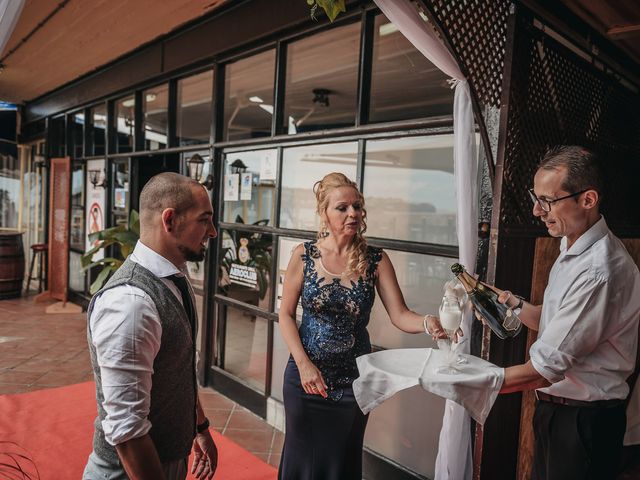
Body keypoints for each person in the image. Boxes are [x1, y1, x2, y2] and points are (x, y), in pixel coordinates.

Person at [277, 172, 448, 480]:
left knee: (342, 459)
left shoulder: (376, 260)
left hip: (353, 384)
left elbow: (400, 314)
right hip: (305, 379)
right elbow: (286, 315)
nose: (353, 213)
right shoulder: (303, 256)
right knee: (302, 458)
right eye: (342, 207)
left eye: (357, 206)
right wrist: (303, 365)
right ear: (324, 213)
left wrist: (427, 322)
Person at [488, 146, 640, 479]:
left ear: (588, 200)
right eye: (535, 197)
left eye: (547, 200)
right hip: (556, 412)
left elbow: (543, 370)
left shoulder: (600, 270)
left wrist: (472, 382)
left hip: (585, 423)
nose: (536, 210)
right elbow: (558, 324)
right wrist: (511, 303)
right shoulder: (571, 244)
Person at [83, 172, 219, 480]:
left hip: (168, 458)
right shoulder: (130, 304)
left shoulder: (175, 277)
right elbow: (127, 431)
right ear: (169, 220)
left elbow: (179, 367)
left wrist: (200, 428)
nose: (212, 232)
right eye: (204, 220)